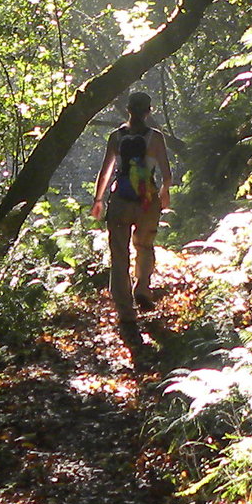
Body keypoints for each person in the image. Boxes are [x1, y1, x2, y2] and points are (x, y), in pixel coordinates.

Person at [92, 87, 172, 344]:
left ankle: (126, 312)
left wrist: (98, 200)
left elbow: (105, 172)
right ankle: (143, 289)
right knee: (145, 246)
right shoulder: (156, 138)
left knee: (119, 254)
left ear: (128, 110)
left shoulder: (116, 137)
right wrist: (164, 192)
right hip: (147, 200)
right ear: (149, 112)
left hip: (120, 200)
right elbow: (167, 174)